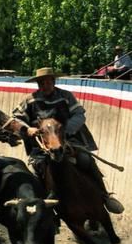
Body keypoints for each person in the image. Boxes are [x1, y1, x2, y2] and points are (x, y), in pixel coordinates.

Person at [12, 67, 124, 214]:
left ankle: (104, 195)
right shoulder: (30, 100)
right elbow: (16, 118)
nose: (44, 86)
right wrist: (27, 129)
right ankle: (43, 207)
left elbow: (79, 115)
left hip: (68, 140)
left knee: (86, 160)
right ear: (37, 84)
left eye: (47, 82)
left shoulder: (66, 96)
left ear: (53, 81)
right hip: (41, 145)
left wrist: (65, 131)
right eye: (41, 83)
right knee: (35, 171)